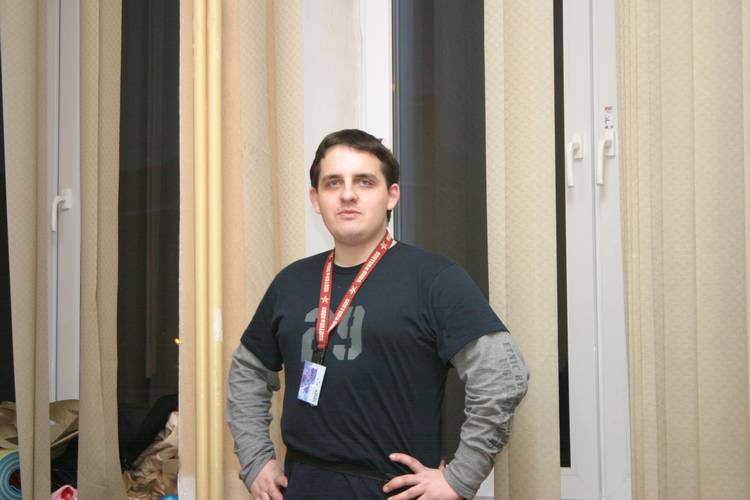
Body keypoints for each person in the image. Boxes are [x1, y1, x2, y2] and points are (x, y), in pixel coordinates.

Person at [227, 129, 529, 500]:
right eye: (333, 182)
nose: (347, 194)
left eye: (364, 181)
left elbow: (502, 375)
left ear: (392, 195)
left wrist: (460, 477)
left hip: (393, 489)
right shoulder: (290, 283)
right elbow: (247, 370)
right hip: (302, 486)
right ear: (316, 199)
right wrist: (255, 460)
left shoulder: (435, 279)